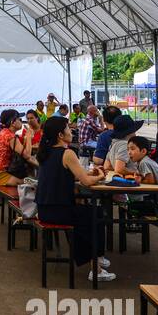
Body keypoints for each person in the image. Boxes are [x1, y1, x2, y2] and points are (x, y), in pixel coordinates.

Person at [35, 116, 111, 282]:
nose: (72, 131)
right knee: (96, 214)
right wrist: (99, 176)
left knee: (86, 216)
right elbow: (86, 182)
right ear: (61, 135)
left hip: (44, 209)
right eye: (68, 129)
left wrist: (88, 175)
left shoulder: (45, 152)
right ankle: (97, 262)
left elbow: (65, 176)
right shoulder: (67, 153)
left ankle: (96, 262)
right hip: (59, 210)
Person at [0, 109, 33, 188]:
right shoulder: (10, 136)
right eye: (19, 119)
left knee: (28, 178)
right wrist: (29, 137)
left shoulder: (5, 132)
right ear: (12, 123)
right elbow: (27, 155)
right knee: (28, 183)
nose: (21, 121)